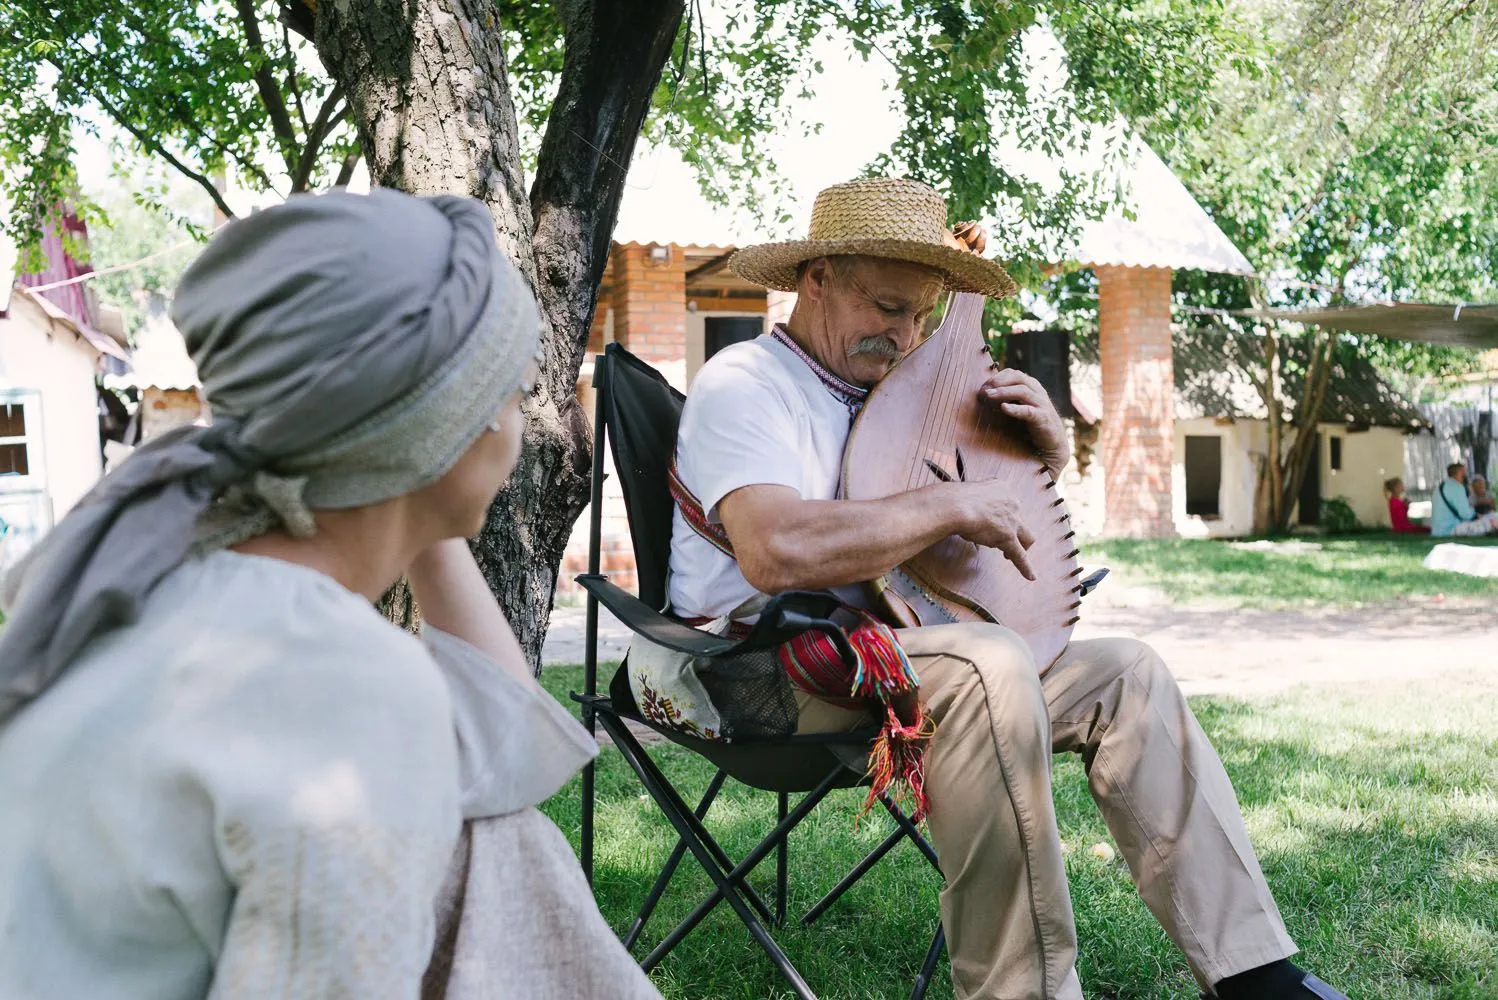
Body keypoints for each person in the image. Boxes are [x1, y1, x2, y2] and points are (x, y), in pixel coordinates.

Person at [655, 178, 1349, 1000]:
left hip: (899, 668)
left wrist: (1040, 460)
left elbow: (967, 550)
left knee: (1127, 672)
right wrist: (950, 500)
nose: (905, 336)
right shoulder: (749, 384)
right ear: (819, 277)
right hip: (752, 675)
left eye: (921, 316)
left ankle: (1256, 976)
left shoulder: (897, 397)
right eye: (885, 307)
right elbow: (774, 551)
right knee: (987, 663)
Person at [0, 190, 661, 1000]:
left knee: (499, 840)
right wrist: (419, 467)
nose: (525, 421)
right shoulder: (343, 685)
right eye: (519, 385)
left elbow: (502, 751)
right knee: (507, 853)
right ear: (450, 423)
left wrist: (414, 485)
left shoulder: (161, 584)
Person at [1431, 462, 1498, 537]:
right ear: (1460, 472)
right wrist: (1479, 516)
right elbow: (1466, 514)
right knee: (1493, 522)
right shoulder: (1457, 487)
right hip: (1449, 531)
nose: (1466, 474)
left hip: (1437, 531)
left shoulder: (1441, 487)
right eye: (1464, 471)